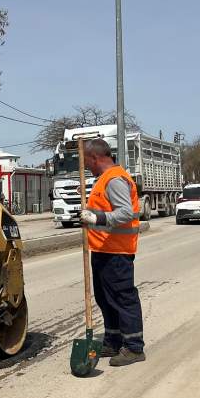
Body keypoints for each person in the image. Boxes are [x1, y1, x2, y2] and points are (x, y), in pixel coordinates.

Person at [79, 138, 145, 367]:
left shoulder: (114, 179)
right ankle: (114, 341)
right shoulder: (102, 179)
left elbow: (125, 213)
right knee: (106, 299)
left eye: (86, 161)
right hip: (103, 249)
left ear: (95, 157)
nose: (85, 166)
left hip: (117, 252)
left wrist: (97, 217)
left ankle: (134, 348)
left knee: (122, 298)